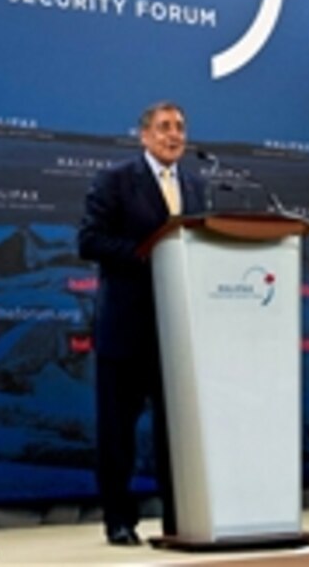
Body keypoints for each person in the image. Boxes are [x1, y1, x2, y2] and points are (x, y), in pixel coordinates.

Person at [77, 101, 208, 545]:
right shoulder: (115, 180)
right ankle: (119, 520)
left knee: (178, 432)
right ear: (145, 136)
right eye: (165, 127)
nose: (175, 135)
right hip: (127, 329)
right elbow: (89, 240)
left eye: (181, 128)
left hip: (178, 334)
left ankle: (182, 517)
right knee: (118, 434)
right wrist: (146, 253)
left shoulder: (194, 185)